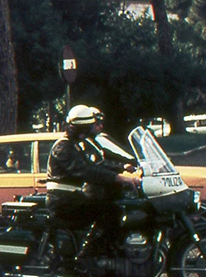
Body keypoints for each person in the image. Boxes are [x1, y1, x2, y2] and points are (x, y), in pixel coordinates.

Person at [46, 104, 140, 264]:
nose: (86, 133)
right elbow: (85, 171)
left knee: (114, 206)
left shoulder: (74, 145)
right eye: (84, 129)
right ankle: (86, 256)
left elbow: (95, 165)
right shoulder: (63, 147)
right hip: (62, 201)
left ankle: (109, 253)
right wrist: (120, 178)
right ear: (76, 128)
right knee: (110, 212)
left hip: (71, 198)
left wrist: (122, 169)